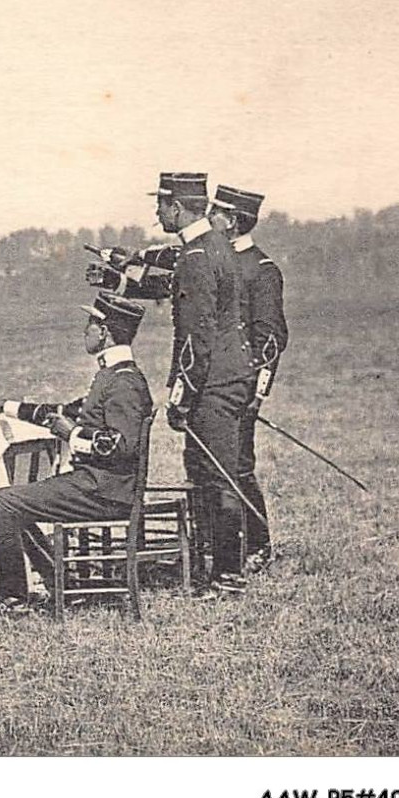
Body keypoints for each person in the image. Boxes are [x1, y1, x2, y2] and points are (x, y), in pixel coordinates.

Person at [0, 292, 155, 623]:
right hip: (97, 485)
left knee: (2, 503)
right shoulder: (113, 375)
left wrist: (70, 435)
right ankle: (56, 579)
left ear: (104, 332)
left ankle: (13, 602)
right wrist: (4, 405)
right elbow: (63, 412)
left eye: (90, 323)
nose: (84, 330)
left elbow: (121, 446)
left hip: (106, 491)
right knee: (15, 502)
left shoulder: (124, 383)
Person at [154, 171, 256, 596]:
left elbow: (196, 337)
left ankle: (227, 574)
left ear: (176, 208)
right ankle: (214, 563)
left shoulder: (196, 257)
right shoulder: (217, 245)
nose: (156, 213)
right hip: (230, 376)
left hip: (213, 382)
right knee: (215, 472)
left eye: (160, 205)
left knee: (215, 476)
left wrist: (181, 396)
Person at [209, 183, 290, 574]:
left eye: (216, 213)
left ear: (234, 221)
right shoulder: (215, 261)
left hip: (240, 390)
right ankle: (221, 543)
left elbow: (272, 341)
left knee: (237, 467)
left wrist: (255, 396)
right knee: (212, 468)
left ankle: (258, 545)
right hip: (210, 388)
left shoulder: (262, 270)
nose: (210, 219)